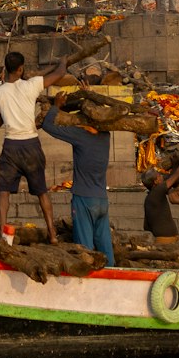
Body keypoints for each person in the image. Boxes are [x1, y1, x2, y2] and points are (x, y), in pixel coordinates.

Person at [0, 50, 71, 242]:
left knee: (3, 192)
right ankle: (52, 233)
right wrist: (64, 60)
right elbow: (58, 74)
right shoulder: (31, 85)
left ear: (5, 69)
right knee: (41, 191)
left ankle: (3, 234)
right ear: (20, 69)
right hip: (31, 144)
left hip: (11, 146)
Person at [41, 98, 114, 265]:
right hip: (102, 200)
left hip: (84, 200)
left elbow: (48, 126)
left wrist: (55, 107)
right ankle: (112, 273)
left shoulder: (80, 135)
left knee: (84, 249)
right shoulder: (106, 136)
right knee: (105, 247)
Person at [142, 147, 179, 245]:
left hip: (162, 239)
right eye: (159, 176)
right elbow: (177, 175)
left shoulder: (150, 197)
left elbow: (146, 226)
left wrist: (174, 164)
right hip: (165, 241)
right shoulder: (157, 191)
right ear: (156, 181)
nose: (162, 176)